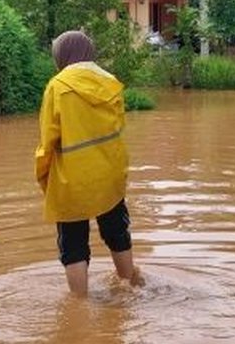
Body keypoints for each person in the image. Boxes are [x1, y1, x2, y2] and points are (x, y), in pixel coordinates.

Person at [35, 30, 142, 295]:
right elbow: (118, 130)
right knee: (117, 231)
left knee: (73, 245)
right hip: (109, 175)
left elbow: (47, 141)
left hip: (71, 178)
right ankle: (129, 285)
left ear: (62, 55)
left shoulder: (57, 87)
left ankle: (79, 307)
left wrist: (43, 177)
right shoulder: (112, 84)